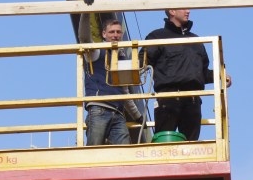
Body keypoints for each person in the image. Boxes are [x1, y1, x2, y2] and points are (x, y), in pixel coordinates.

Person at [143, 9, 231, 141]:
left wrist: (220, 75)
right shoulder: (157, 37)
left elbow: (202, 73)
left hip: (192, 100)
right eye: (183, 8)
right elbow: (141, 62)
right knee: (164, 143)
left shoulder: (196, 41)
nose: (188, 11)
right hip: (168, 98)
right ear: (172, 11)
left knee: (191, 146)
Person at [78, 13, 143, 145]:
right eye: (111, 32)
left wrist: (138, 116)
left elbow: (124, 92)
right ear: (104, 34)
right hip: (99, 109)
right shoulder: (96, 52)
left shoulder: (121, 58)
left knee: (124, 152)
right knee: (94, 149)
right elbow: (84, 38)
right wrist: (85, 13)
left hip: (118, 113)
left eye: (118, 32)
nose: (115, 35)